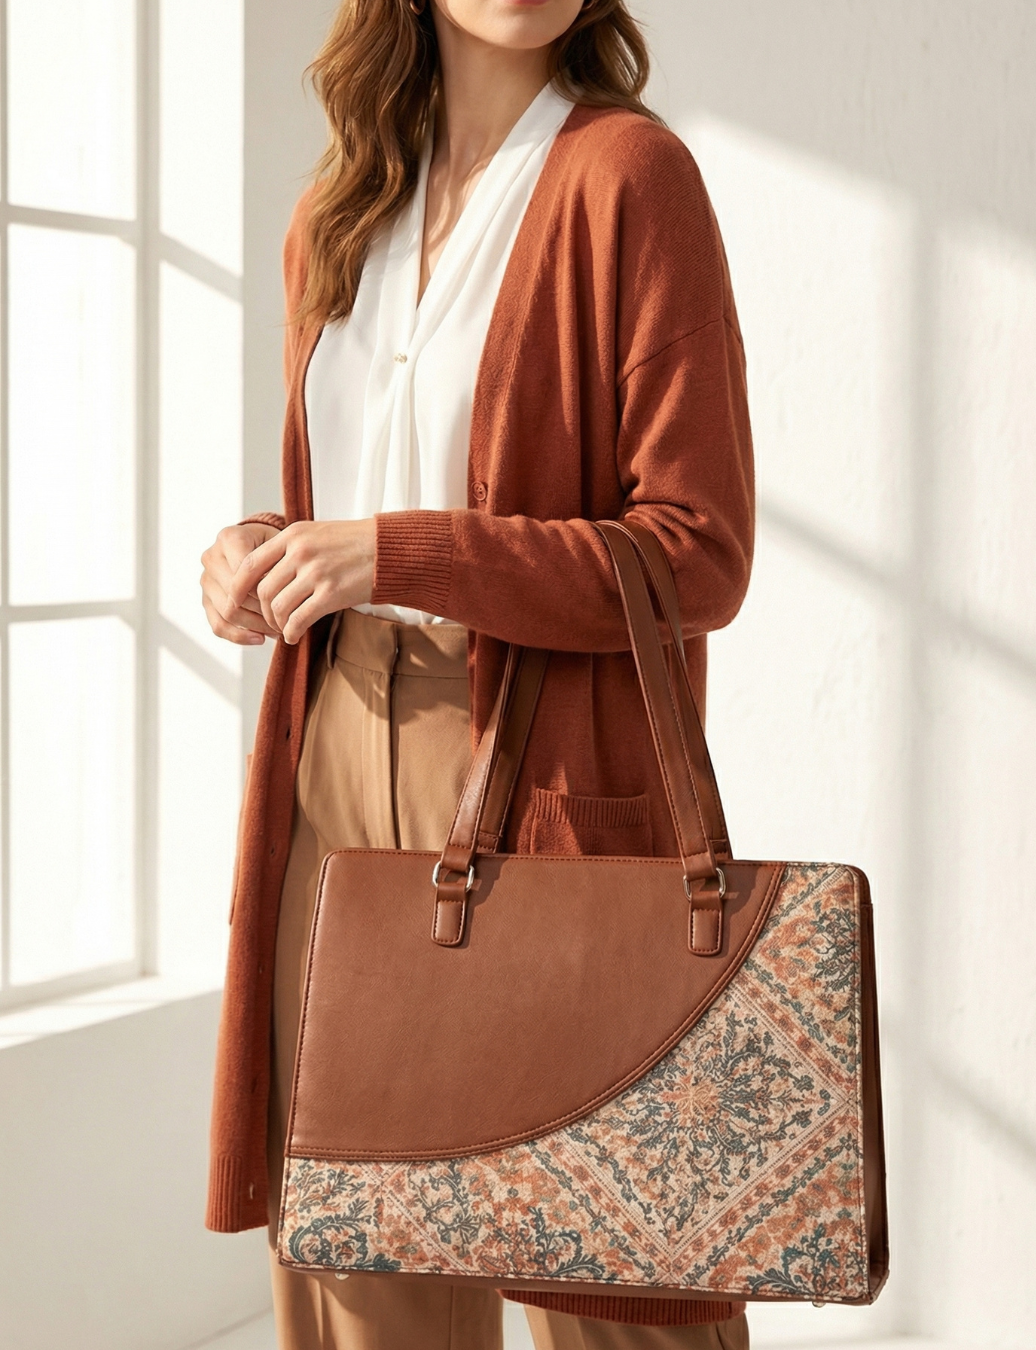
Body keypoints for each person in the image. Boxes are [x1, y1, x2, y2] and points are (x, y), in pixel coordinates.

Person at [200, 1, 755, 1346]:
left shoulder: (629, 176)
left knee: (611, 1256)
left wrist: (404, 552)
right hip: (336, 747)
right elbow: (352, 499)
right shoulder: (338, 212)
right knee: (363, 1251)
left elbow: (698, 553)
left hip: (546, 755)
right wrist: (261, 551)